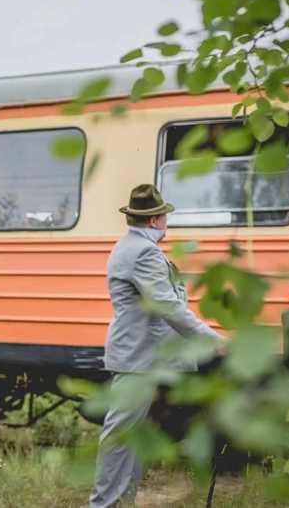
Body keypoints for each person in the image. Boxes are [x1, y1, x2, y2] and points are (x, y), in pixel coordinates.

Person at [89, 184, 226, 508]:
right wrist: (212, 340)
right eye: (164, 215)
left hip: (140, 357)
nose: (167, 221)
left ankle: (120, 502)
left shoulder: (131, 246)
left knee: (132, 438)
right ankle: (103, 504)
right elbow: (169, 307)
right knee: (121, 437)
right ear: (154, 220)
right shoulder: (144, 252)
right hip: (139, 359)